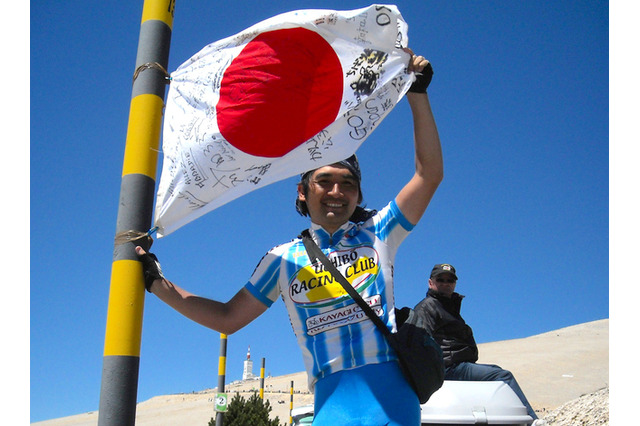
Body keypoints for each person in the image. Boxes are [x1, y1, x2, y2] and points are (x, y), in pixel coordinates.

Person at [137, 50, 443, 426]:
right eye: (324, 180)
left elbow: (428, 175)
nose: (336, 190)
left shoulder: (380, 231)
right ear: (303, 190)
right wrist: (156, 284)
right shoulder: (282, 260)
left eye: (348, 183)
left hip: (392, 398)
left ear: (358, 194)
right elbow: (228, 317)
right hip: (331, 405)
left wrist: (418, 93)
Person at [414, 264, 546, 425]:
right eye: (440, 279)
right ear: (430, 282)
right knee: (503, 376)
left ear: (454, 284)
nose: (445, 283)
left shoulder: (448, 307)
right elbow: (420, 338)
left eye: (450, 280)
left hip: (458, 365)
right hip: (449, 367)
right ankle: (533, 421)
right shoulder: (427, 306)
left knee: (496, 371)